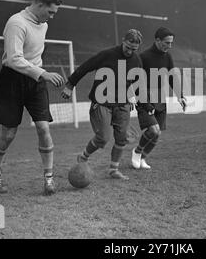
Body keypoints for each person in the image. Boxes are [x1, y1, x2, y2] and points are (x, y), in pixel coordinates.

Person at [0, 0, 65, 194]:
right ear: (39, 4)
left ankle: (49, 179)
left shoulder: (44, 25)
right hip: (12, 81)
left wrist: (39, 74)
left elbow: (33, 55)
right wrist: (43, 73)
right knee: (8, 135)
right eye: (50, 12)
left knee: (43, 128)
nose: (51, 17)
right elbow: (14, 59)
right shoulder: (16, 23)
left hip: (35, 82)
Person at [61, 29, 144, 180]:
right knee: (103, 137)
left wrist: (132, 97)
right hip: (102, 102)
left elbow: (131, 81)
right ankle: (83, 157)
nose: (129, 51)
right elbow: (85, 67)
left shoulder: (136, 60)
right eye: (128, 47)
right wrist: (70, 85)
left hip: (122, 103)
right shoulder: (107, 55)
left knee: (121, 138)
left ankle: (114, 170)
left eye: (134, 49)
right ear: (123, 41)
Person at [131, 27, 187, 170]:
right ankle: (137, 152)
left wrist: (180, 96)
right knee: (153, 130)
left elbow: (172, 77)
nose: (169, 46)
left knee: (157, 134)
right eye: (167, 43)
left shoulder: (167, 56)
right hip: (145, 97)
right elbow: (135, 80)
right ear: (157, 40)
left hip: (160, 97)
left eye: (171, 43)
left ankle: (143, 158)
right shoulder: (143, 57)